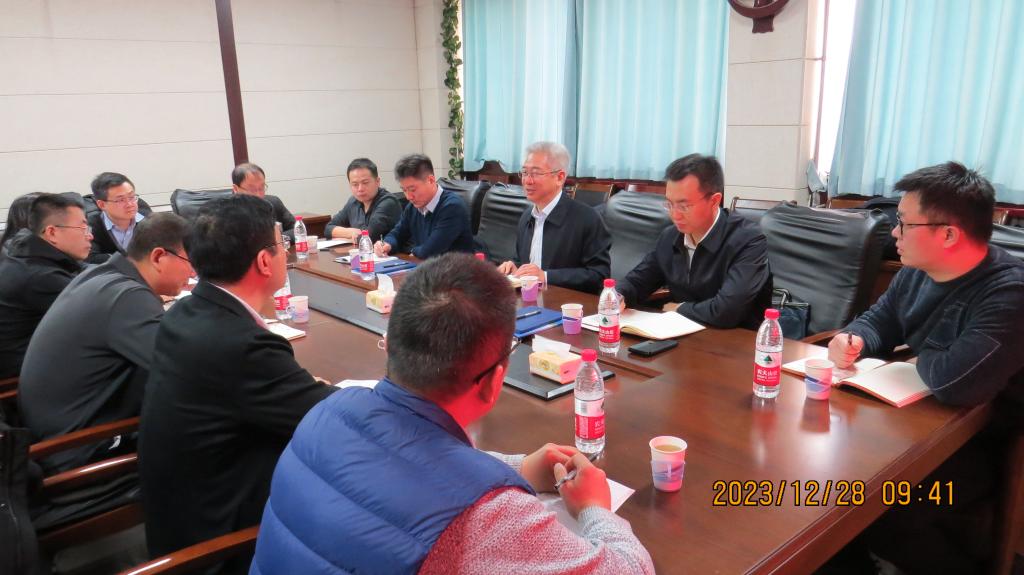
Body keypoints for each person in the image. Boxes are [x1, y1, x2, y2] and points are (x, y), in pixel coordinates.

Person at [249, 253, 655, 575]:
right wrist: (594, 507)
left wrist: (516, 468)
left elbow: (409, 461)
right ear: (493, 382)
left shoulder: (329, 411)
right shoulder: (487, 518)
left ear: (390, 345)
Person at [826, 162, 1024, 574]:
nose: (893, 233)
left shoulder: (1009, 291)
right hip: (915, 421)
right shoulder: (915, 273)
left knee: (881, 509)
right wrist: (854, 338)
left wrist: (922, 356)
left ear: (948, 234)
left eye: (903, 222)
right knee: (828, 479)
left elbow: (957, 383)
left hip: (983, 441)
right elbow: (879, 320)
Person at [139, 195, 336, 571]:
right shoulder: (241, 344)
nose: (285, 251)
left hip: (181, 515)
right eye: (281, 244)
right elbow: (330, 419)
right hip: (222, 541)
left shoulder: (186, 311)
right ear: (264, 261)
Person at [20, 213, 192, 475]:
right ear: (158, 257)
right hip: (78, 451)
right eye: (191, 262)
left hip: (57, 432)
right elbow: (187, 369)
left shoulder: (104, 276)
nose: (193, 273)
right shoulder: (127, 297)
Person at [615, 154, 772, 329]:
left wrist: (679, 309)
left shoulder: (748, 240)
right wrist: (618, 296)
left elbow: (727, 310)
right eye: (669, 204)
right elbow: (638, 281)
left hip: (736, 340)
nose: (675, 215)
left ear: (714, 201)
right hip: (682, 334)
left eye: (684, 206)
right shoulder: (670, 236)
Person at [496, 142, 611, 294]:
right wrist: (515, 268)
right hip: (530, 300)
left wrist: (545, 276)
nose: (527, 181)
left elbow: (599, 275)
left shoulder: (587, 219)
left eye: (535, 173)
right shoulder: (527, 217)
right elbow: (527, 263)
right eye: (524, 172)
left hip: (566, 303)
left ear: (559, 177)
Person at [0, 194, 91, 378]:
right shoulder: (40, 276)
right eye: (82, 228)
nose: (90, 235)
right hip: (21, 371)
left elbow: (84, 270)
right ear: (51, 232)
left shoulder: (29, 251)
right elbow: (96, 316)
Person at [375, 154, 474, 259]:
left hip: (454, 267)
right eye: (404, 190)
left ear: (430, 180)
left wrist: (413, 251)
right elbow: (397, 233)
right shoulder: (413, 207)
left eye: (413, 189)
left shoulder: (452, 207)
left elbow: (430, 250)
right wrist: (387, 244)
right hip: (427, 266)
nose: (408, 196)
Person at [324, 158, 402, 244]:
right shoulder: (353, 202)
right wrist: (351, 232)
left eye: (365, 183)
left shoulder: (388, 202)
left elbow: (369, 237)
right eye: (355, 184)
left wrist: (344, 238)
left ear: (377, 181)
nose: (360, 189)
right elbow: (328, 229)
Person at [86, 172, 152, 263]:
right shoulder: (91, 226)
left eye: (131, 197)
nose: (130, 204)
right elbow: (90, 258)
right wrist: (131, 260)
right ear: (102, 205)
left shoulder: (149, 219)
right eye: (120, 200)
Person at [231, 162, 296, 240]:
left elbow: (296, 230)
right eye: (252, 189)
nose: (258, 194)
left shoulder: (273, 203)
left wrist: (275, 241)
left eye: (261, 188)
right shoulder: (225, 214)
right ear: (236, 189)